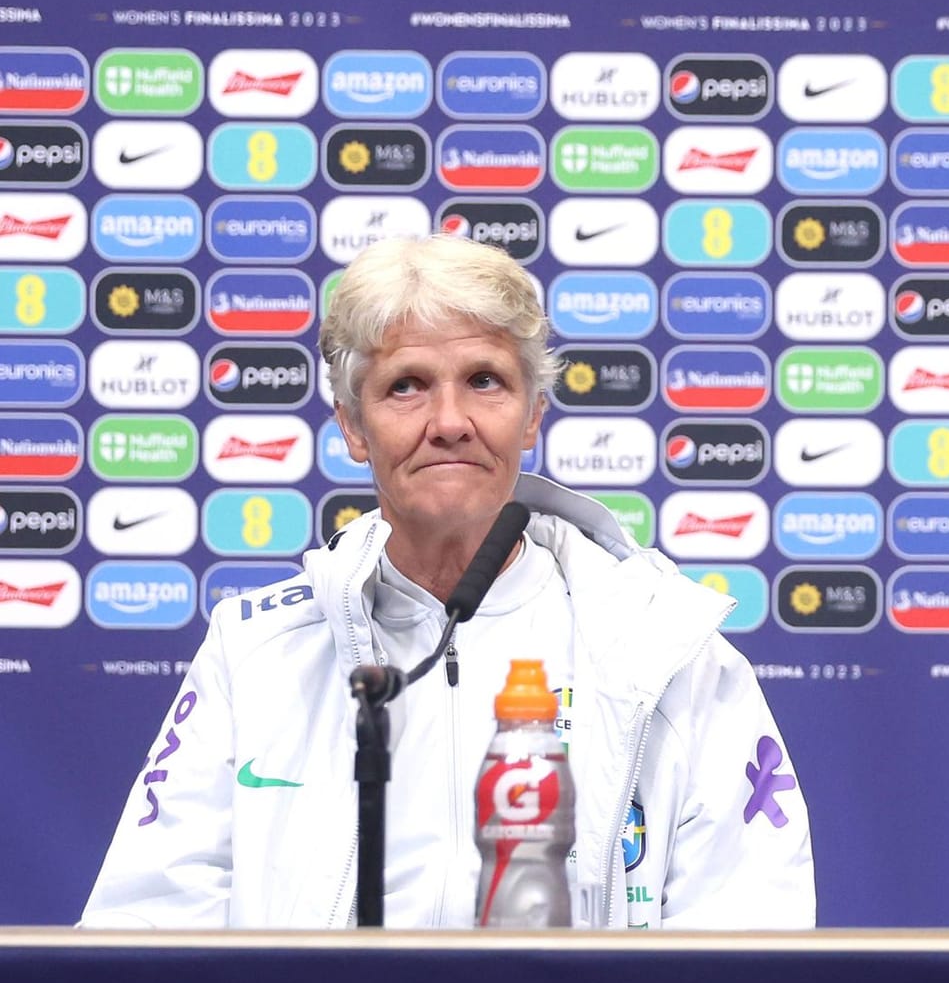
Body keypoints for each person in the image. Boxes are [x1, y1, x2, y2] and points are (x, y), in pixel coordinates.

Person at [82, 234, 814, 930]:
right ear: (352, 426)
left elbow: (749, 951)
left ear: (532, 415)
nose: (450, 421)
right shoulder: (257, 653)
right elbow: (147, 935)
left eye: (484, 381)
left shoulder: (664, 647)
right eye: (406, 386)